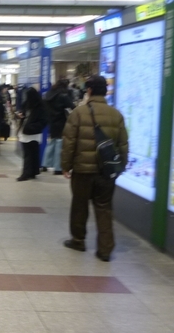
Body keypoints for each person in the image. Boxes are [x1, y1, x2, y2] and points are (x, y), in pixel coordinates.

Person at [61, 75, 129, 262]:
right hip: (106, 172)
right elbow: (123, 144)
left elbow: (69, 142)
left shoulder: (79, 113)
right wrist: (120, 167)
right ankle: (105, 249)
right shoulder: (116, 115)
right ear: (105, 92)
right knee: (104, 208)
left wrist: (66, 166)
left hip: (83, 170)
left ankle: (78, 240)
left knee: (79, 205)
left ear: (89, 90)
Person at [42, 79, 75, 175]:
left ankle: (45, 164)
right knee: (59, 144)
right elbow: (72, 106)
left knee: (51, 142)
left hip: (51, 121)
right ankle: (57, 167)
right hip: (61, 121)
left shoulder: (48, 94)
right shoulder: (63, 96)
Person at [15, 87, 47, 181]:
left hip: (33, 132)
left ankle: (26, 173)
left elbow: (44, 121)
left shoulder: (40, 107)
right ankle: (33, 171)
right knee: (31, 153)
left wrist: (33, 127)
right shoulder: (27, 104)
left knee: (30, 154)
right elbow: (22, 113)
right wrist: (20, 115)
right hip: (26, 131)